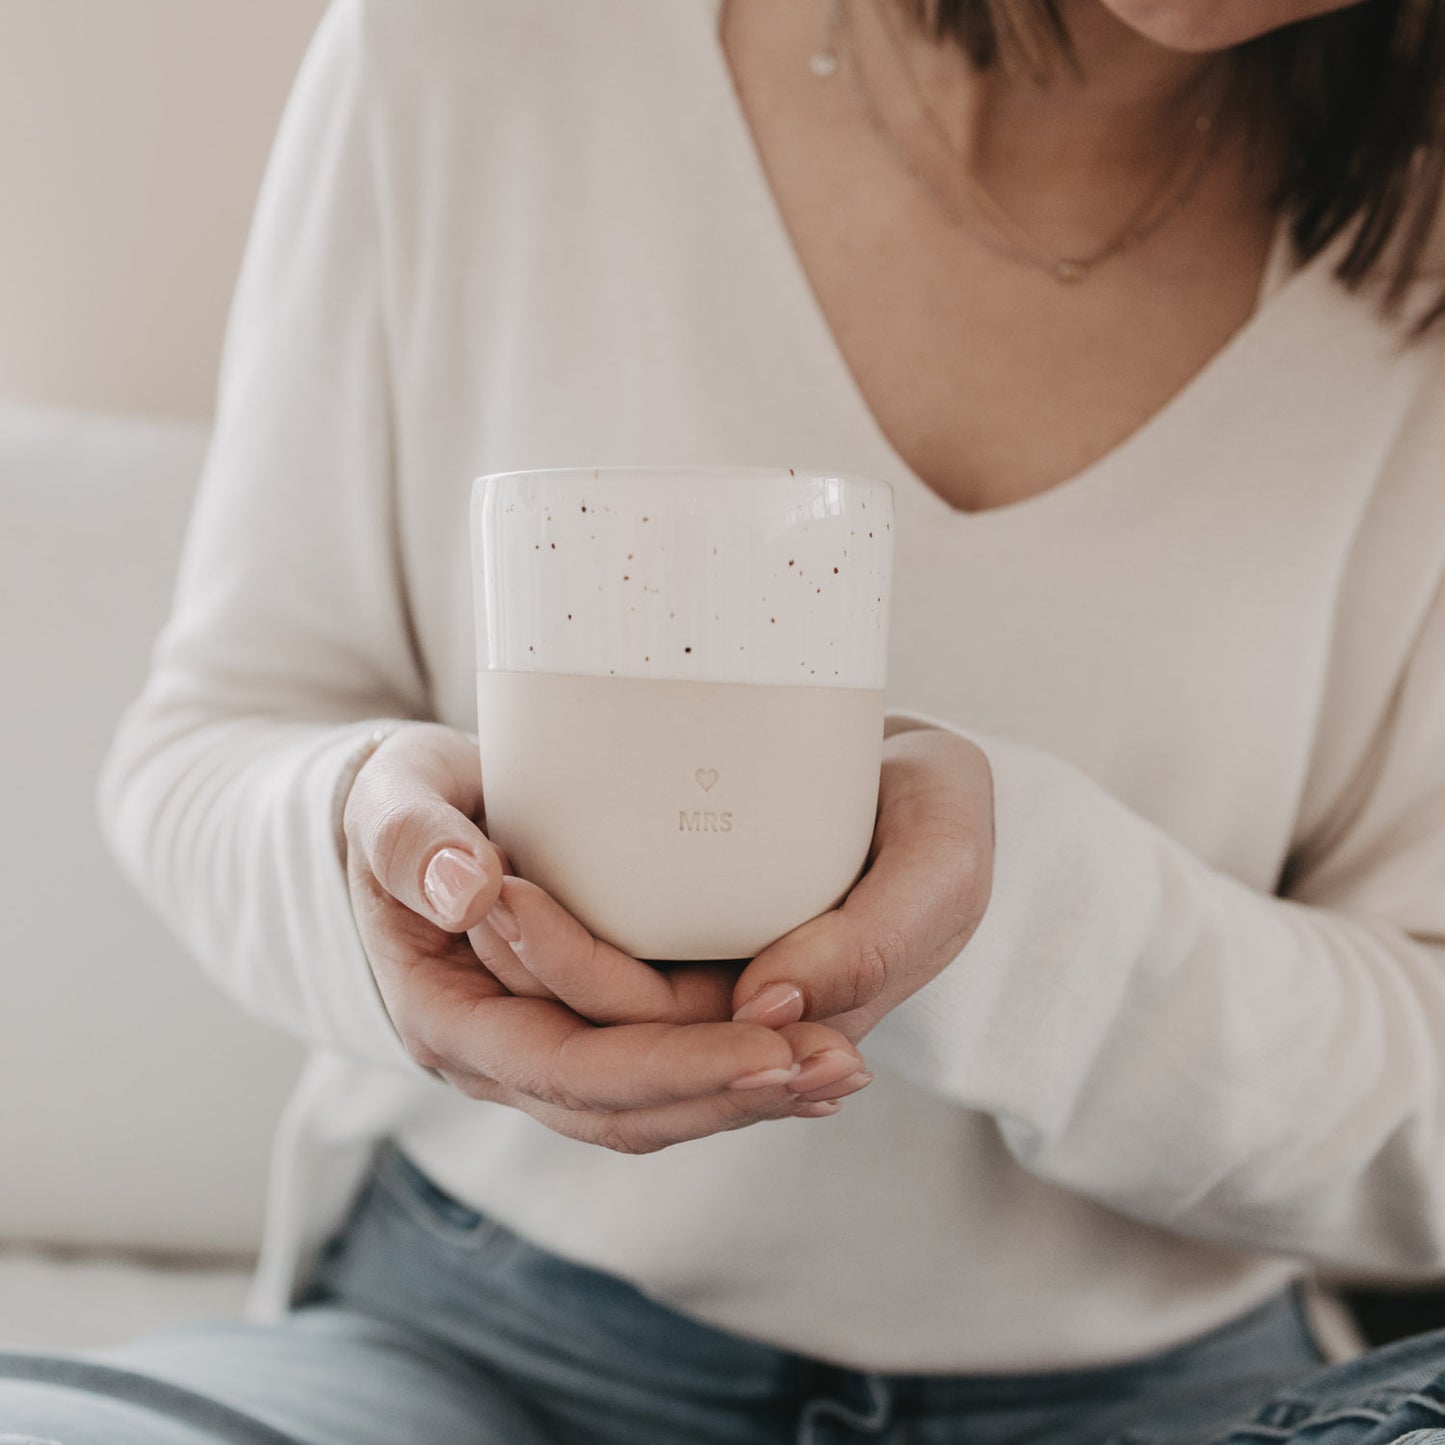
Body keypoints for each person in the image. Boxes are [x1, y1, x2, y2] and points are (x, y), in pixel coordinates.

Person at [6, 0, 1445, 1439]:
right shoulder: (481, 46)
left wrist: (1009, 914)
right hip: (476, 1343)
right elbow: (210, 738)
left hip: (1166, 1398)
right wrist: (372, 851)